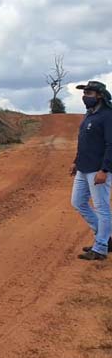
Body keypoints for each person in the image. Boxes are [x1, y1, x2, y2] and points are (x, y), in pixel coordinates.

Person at [70, 80, 112, 260]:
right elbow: (83, 141)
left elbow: (111, 144)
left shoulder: (108, 116)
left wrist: (105, 170)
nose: (85, 97)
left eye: (89, 93)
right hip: (83, 168)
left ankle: (101, 246)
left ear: (100, 95)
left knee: (102, 207)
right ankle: (106, 238)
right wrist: (76, 161)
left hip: (98, 170)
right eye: (84, 93)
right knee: (78, 202)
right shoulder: (89, 114)